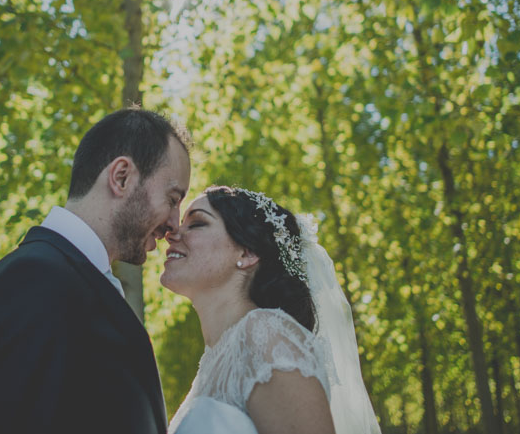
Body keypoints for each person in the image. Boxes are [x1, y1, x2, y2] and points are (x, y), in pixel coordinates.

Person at [0, 108, 191, 434]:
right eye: (172, 198)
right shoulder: (32, 280)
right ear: (121, 176)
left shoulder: (73, 280)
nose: (173, 224)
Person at [161, 186, 381, 434]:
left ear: (247, 252)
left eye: (197, 223)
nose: (172, 233)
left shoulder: (266, 337)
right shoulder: (215, 360)